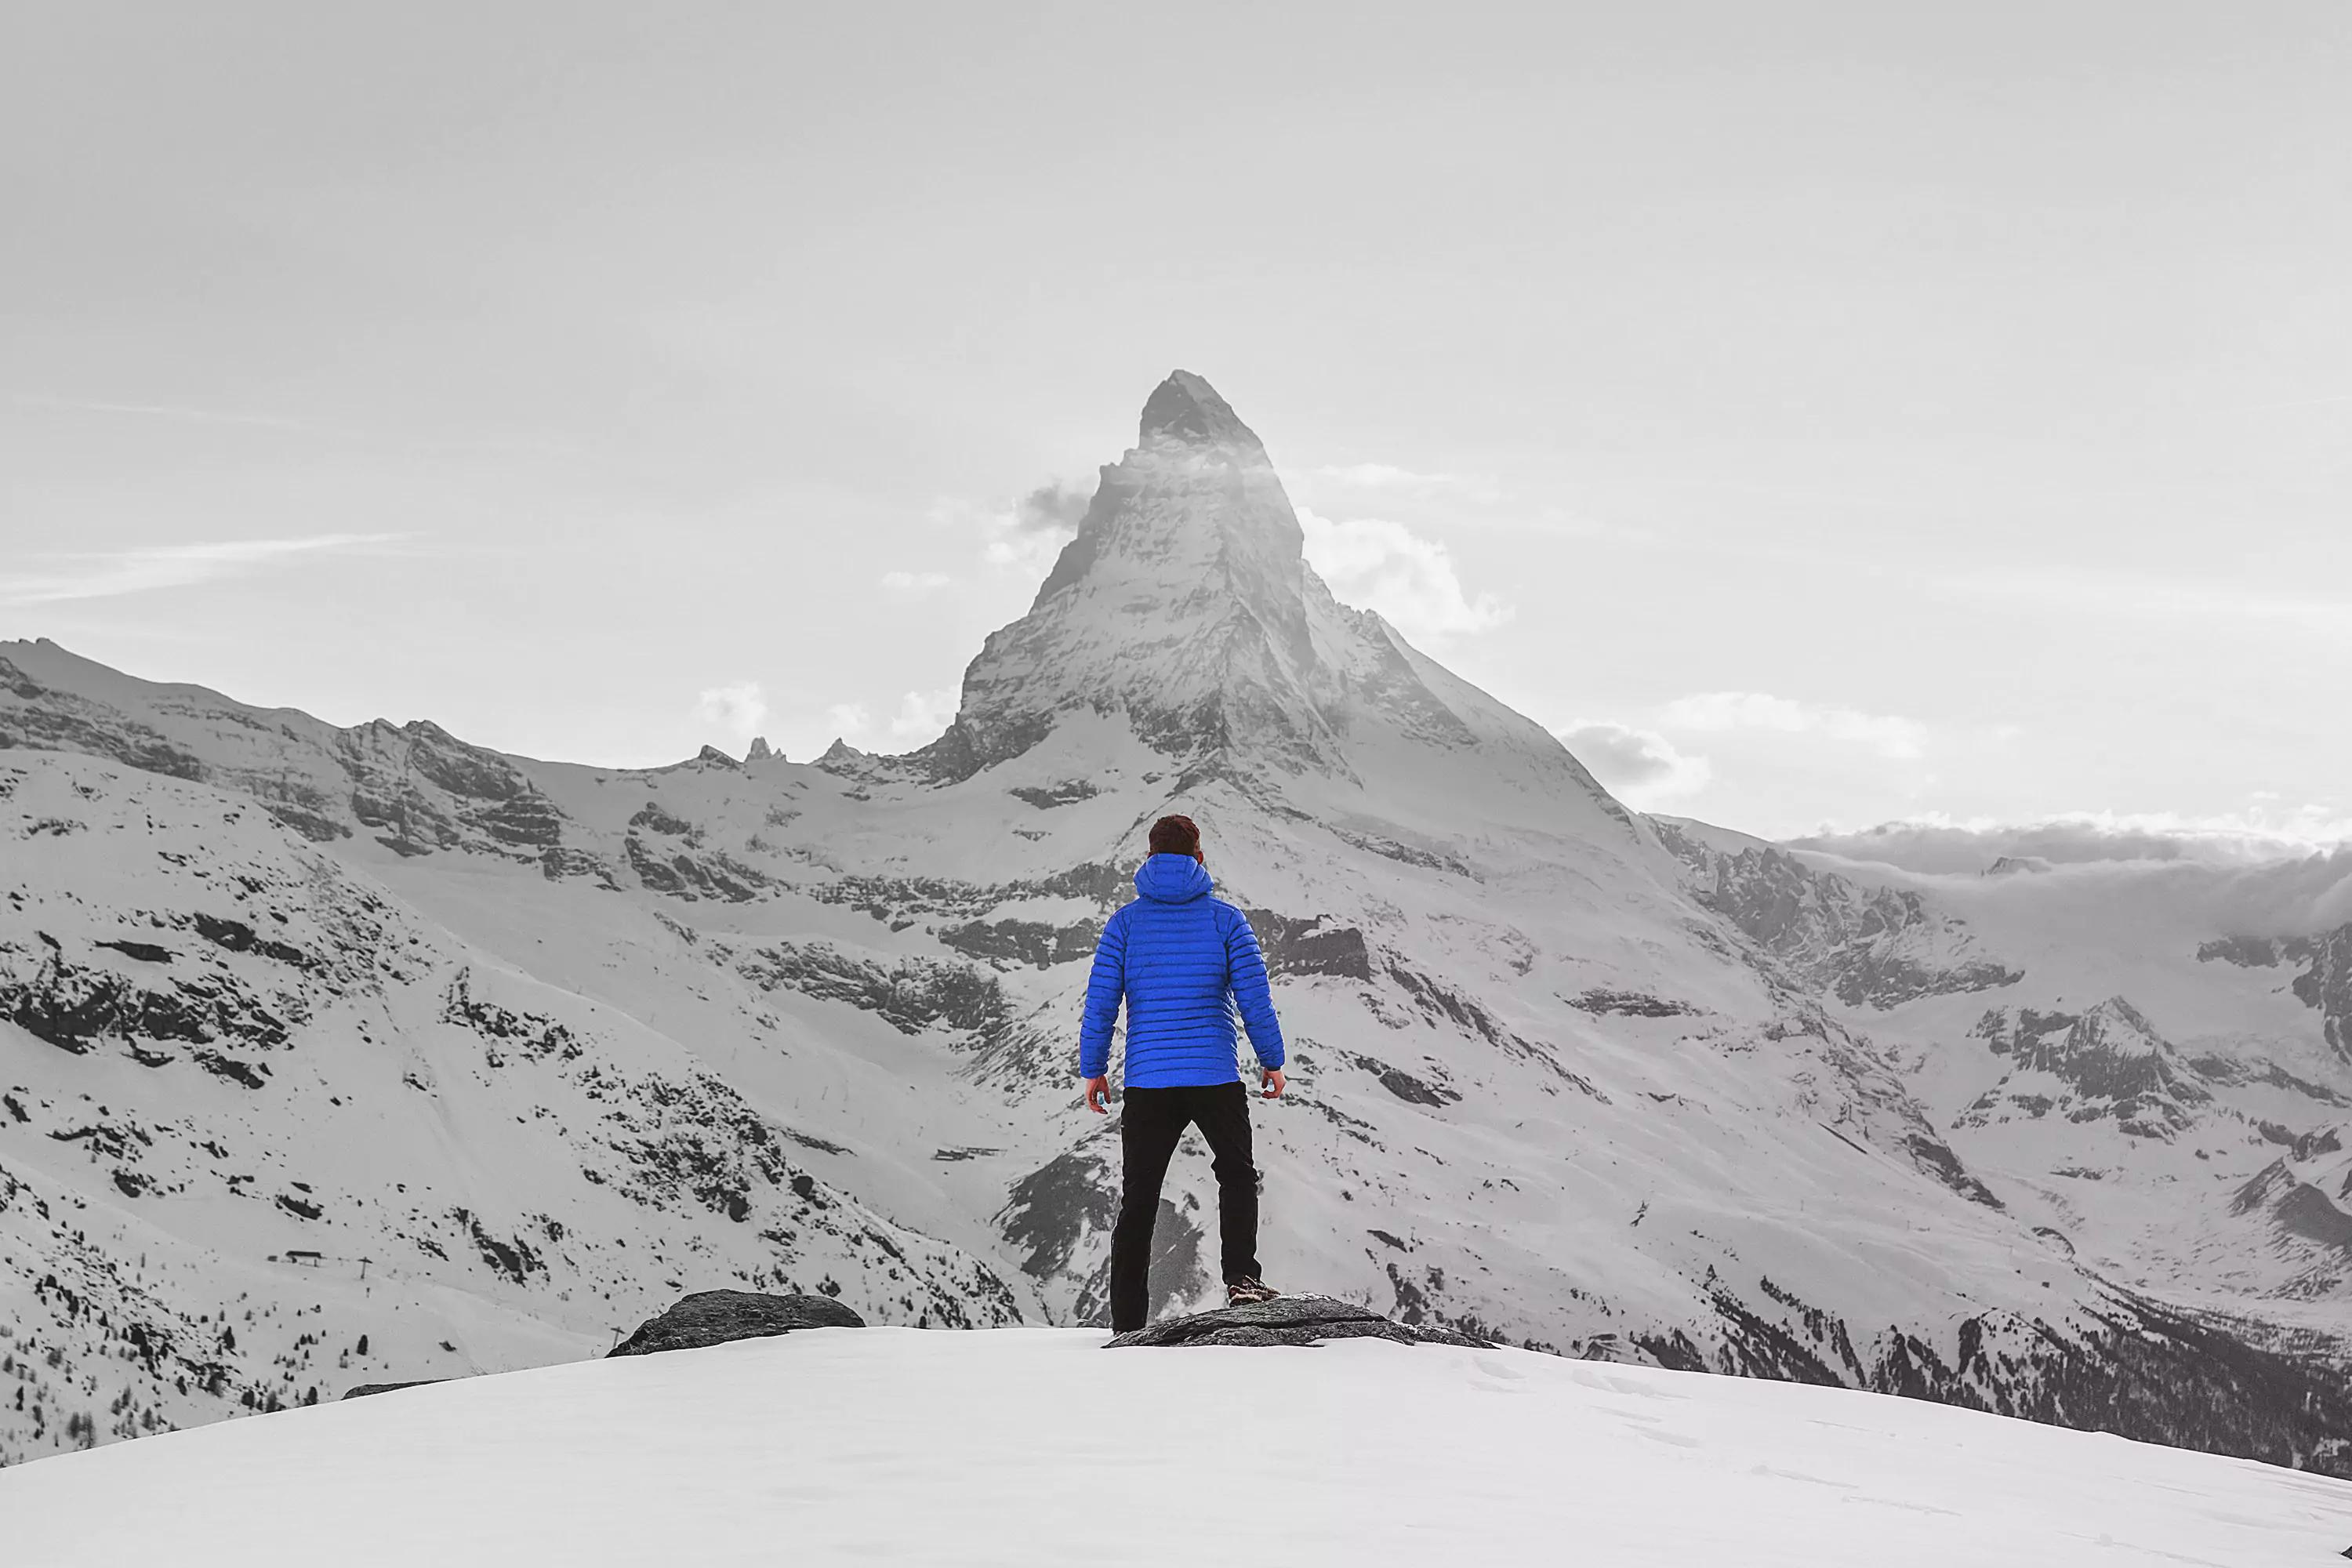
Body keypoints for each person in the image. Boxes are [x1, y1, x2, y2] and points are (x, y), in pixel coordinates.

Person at [1080, 813, 1287, 1334]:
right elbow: (1253, 999)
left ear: (1149, 858)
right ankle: (1241, 1277)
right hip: (1214, 1075)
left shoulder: (1124, 923)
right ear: (1199, 858)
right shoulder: (1226, 920)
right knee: (1236, 1173)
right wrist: (1272, 1060)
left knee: (1139, 1198)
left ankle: (1127, 1321)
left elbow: (1102, 1003)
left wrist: (1094, 1070)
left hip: (1149, 1081)